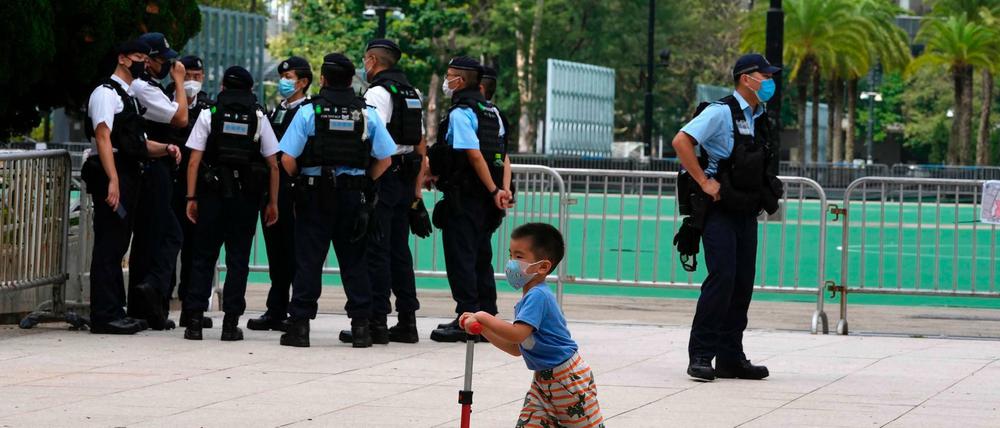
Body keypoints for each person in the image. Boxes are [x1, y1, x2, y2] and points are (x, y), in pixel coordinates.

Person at [671, 53, 783, 381]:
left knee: (741, 284)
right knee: (722, 280)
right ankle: (701, 355)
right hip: (718, 210)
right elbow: (681, 141)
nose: (770, 81)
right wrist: (704, 181)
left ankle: (731, 357)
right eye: (765, 76)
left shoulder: (760, 116)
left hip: (746, 210)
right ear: (746, 78)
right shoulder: (720, 112)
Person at [276, 53, 397, 348]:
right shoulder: (366, 113)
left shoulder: (309, 111)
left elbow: (287, 159)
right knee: (355, 262)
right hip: (353, 197)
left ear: (323, 79)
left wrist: (300, 181)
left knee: (308, 261)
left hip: (314, 196)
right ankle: (361, 328)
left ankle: (300, 327)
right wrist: (365, 182)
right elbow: (386, 159)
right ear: (350, 79)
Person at [81, 40, 182, 334]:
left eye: (145, 58)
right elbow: (103, 137)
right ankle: (104, 314)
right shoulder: (105, 92)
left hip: (128, 172)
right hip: (112, 173)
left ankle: (116, 310)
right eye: (138, 57)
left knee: (119, 244)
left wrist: (166, 148)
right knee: (109, 244)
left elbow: (137, 143)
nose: (143, 62)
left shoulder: (128, 97)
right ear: (123, 59)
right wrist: (112, 179)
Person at [460, 223, 604, 428]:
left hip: (567, 380)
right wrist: (483, 329)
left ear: (543, 267)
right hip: (543, 380)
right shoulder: (530, 298)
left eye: (519, 257)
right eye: (510, 255)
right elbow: (516, 348)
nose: (511, 263)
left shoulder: (538, 296)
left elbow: (517, 334)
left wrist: (483, 316)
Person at [337, 39, 430, 345]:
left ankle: (377, 321)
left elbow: (371, 136)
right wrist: (416, 193)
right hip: (405, 177)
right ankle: (407, 320)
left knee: (376, 249)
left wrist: (367, 181)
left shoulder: (377, 93)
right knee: (399, 251)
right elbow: (420, 143)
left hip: (384, 175)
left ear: (373, 61)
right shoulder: (412, 93)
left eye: (365, 60)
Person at [181, 66, 281, 341]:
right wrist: (272, 202)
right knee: (238, 260)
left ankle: (194, 323)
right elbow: (273, 164)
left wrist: (191, 197)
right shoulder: (258, 116)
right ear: (250, 89)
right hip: (245, 199)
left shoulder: (209, 113)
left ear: (223, 86)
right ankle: (230, 324)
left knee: (203, 257)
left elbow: (194, 161)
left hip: (211, 196)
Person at [429, 56, 512, 343]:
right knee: (481, 258)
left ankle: (468, 319)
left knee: (461, 259)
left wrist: (493, 190)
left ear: (461, 81)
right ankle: (488, 318)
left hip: (465, 197)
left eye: (450, 75)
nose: (447, 80)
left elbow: (473, 155)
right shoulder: (493, 112)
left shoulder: (461, 113)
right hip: (487, 202)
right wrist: (502, 190)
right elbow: (503, 157)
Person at [126, 32, 189, 331]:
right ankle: (150, 290)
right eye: (163, 60)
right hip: (152, 167)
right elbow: (181, 119)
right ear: (148, 60)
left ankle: (147, 305)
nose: (168, 65)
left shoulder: (150, 86)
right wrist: (179, 82)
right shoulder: (143, 88)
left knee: (151, 237)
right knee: (168, 234)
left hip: (157, 165)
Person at [246, 56, 313, 333]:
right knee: (276, 252)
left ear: (303, 82)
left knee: (295, 253)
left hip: (295, 190)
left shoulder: (308, 111)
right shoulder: (276, 111)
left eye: (289, 78)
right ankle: (276, 309)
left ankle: (296, 312)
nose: (283, 82)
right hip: (272, 189)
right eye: (282, 77)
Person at [165, 55, 216, 329]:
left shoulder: (209, 108)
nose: (193, 81)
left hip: (197, 188)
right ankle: (160, 305)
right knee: (166, 245)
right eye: (188, 76)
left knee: (195, 249)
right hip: (170, 183)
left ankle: (190, 307)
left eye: (197, 76)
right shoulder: (166, 101)